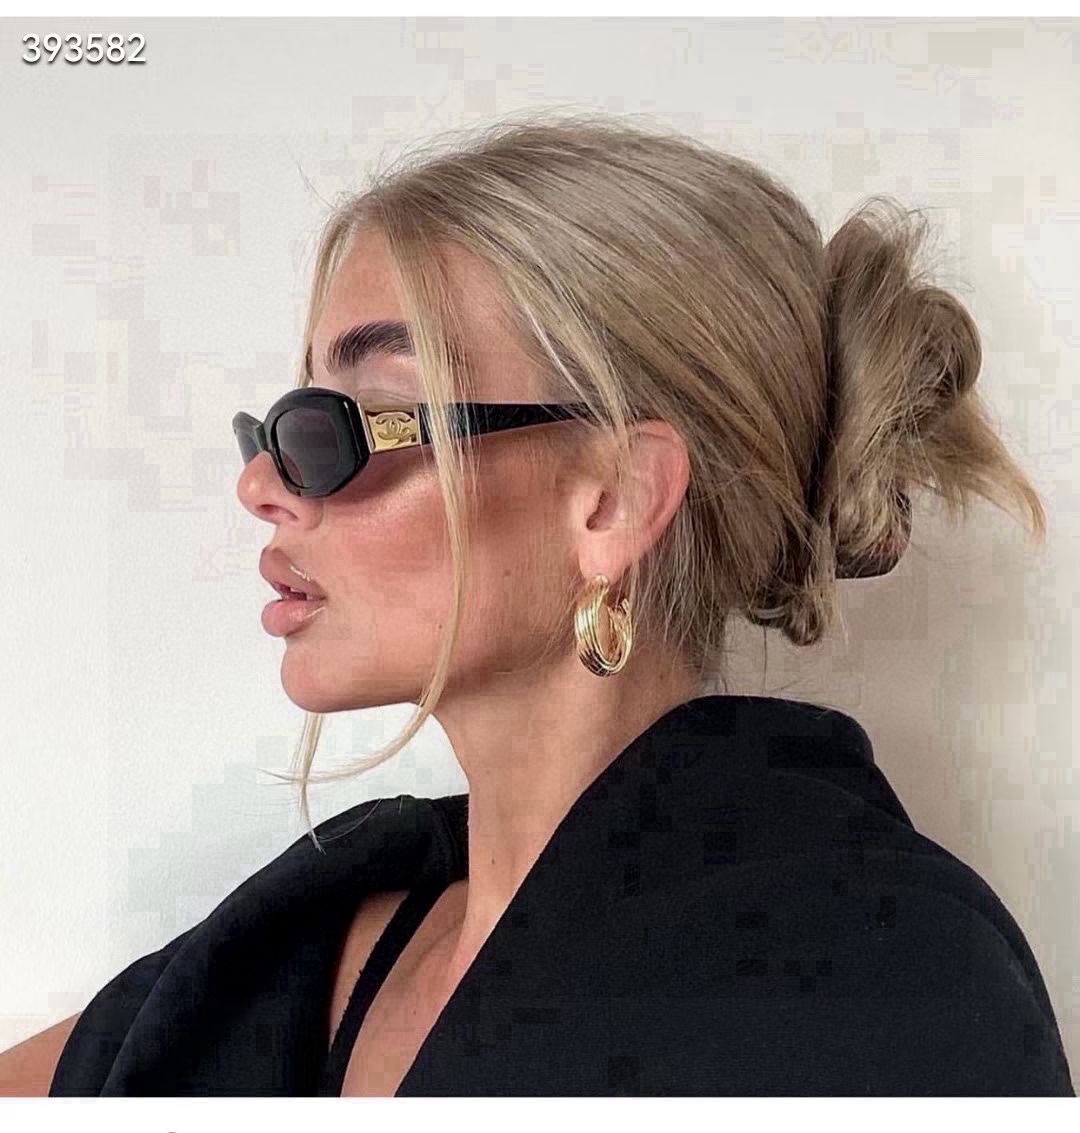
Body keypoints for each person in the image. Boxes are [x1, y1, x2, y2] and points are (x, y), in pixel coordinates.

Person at [3, 111, 1072, 1096]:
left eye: (352, 421)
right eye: (283, 421)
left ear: (613, 499)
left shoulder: (878, 970)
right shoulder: (308, 943)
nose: (261, 483)